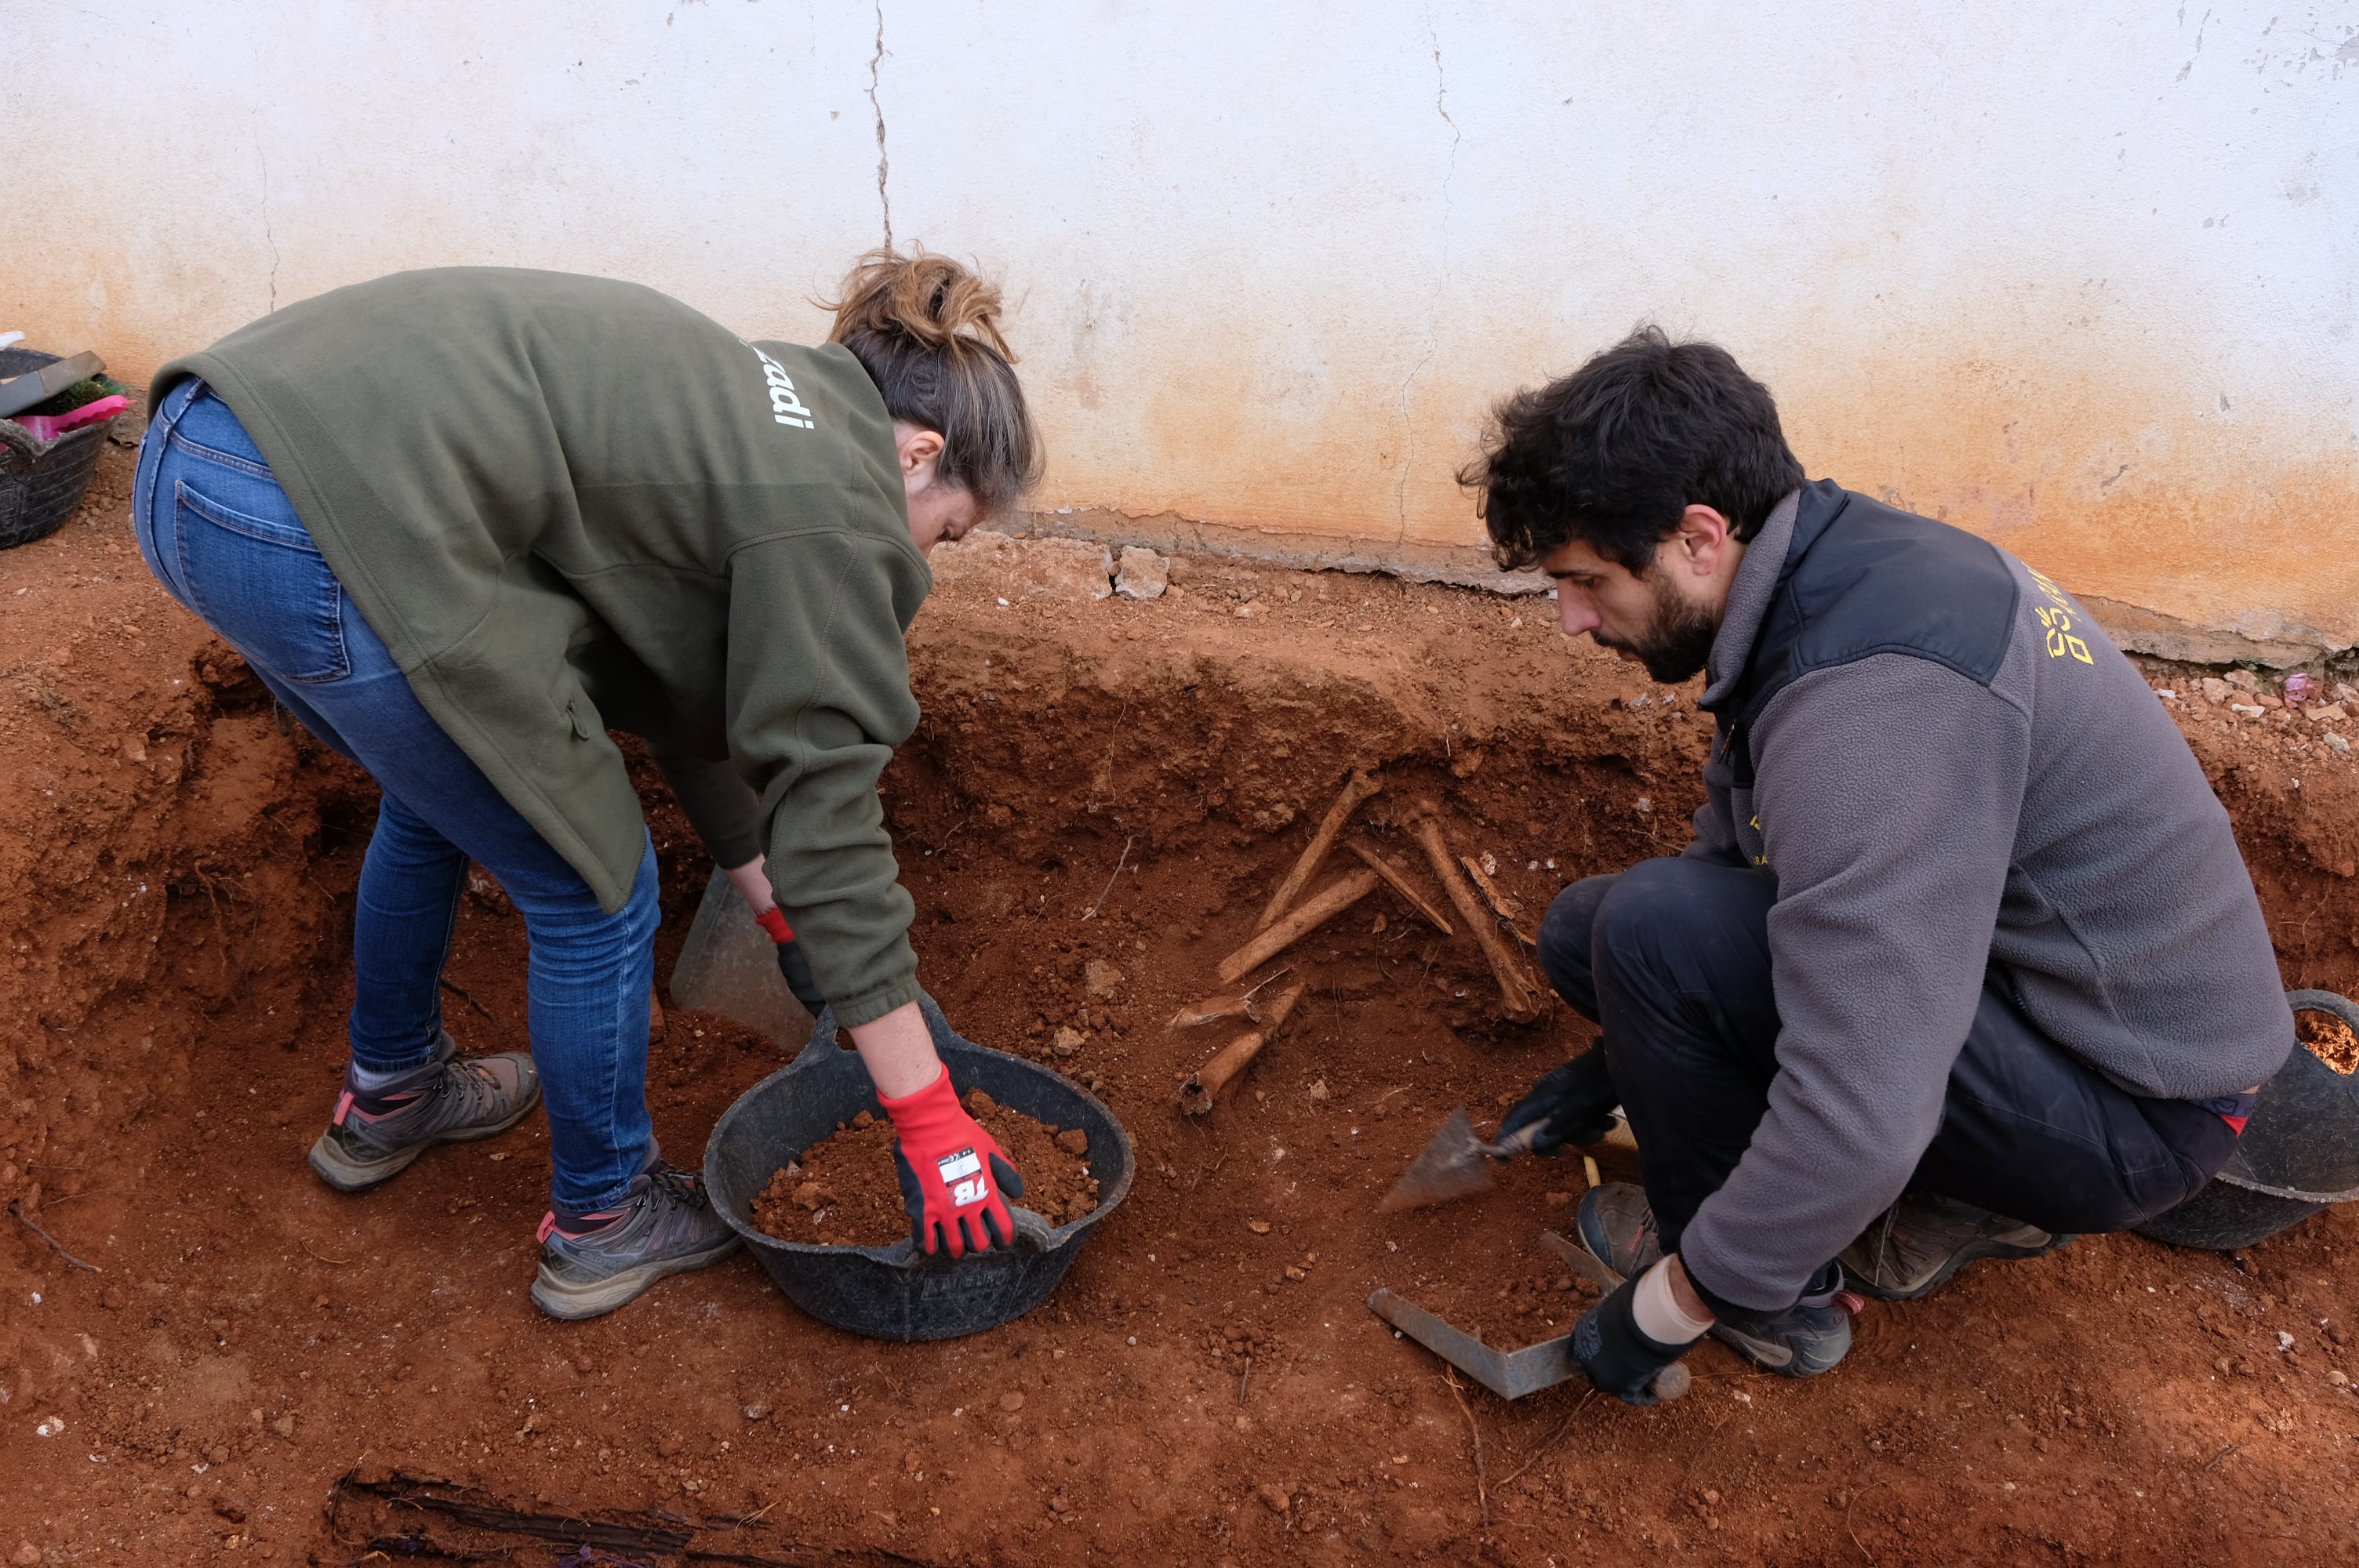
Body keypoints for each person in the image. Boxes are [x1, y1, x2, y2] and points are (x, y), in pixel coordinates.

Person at [133, 252, 1041, 1319]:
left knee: (443, 792)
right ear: (920, 454)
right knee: (596, 884)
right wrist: (927, 1113)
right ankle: (604, 1220)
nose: (933, 557)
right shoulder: (834, 508)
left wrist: (780, 918)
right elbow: (829, 816)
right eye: (951, 530)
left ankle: (394, 1092)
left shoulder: (758, 410)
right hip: (319, 518)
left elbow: (691, 698)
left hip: (197, 460)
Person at [1463, 328, 2292, 1403]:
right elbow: (1738, 859)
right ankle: (1872, 1201)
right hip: (2050, 1000)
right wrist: (1625, 1055)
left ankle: (1786, 1298)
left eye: (1586, 582)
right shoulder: (1830, 572)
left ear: (1699, 536)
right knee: (1605, 933)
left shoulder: (1872, 702)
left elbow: (1865, 1100)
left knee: (1655, 934)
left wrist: (1671, 1304)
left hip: (2138, 1107)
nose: (1574, 620)